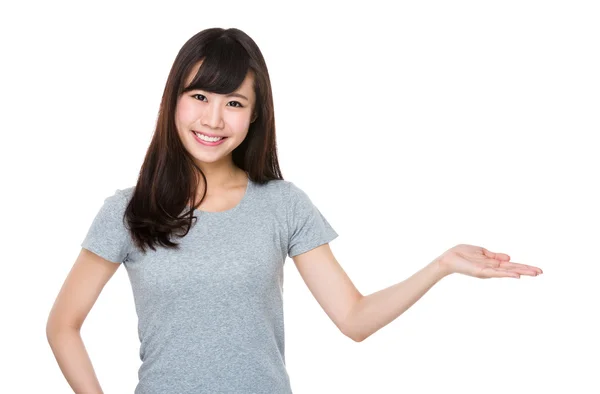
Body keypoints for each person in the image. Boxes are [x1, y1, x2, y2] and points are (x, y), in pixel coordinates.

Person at [45, 27, 543, 394]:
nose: (213, 119)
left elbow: (354, 318)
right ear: (173, 101)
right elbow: (63, 324)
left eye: (234, 103)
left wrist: (441, 266)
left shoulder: (284, 205)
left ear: (255, 113)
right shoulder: (129, 211)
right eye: (199, 96)